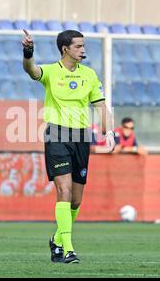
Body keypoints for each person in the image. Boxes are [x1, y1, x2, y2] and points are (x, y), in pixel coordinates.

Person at [22, 29, 115, 264]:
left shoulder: (90, 75)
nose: (83, 50)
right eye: (78, 46)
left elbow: (101, 106)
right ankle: (68, 250)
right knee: (63, 191)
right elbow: (31, 70)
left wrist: (110, 132)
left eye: (84, 46)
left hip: (82, 138)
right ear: (65, 49)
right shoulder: (51, 72)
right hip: (57, 135)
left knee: (75, 200)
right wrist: (28, 52)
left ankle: (57, 239)